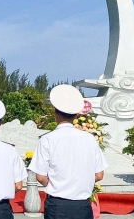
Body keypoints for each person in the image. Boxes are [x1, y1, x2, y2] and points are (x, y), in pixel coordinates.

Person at [28, 84, 108, 219]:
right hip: (82, 206)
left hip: (57, 206)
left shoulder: (47, 139)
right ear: (76, 115)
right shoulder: (89, 139)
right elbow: (99, 175)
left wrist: (59, 183)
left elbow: (40, 176)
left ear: (55, 114)